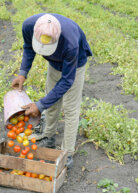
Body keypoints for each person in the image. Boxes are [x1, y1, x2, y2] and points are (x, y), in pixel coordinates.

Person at [11, 13, 92, 168]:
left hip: (75, 64)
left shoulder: (70, 42)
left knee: (70, 108)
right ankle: (49, 136)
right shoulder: (28, 25)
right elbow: (29, 47)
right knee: (52, 100)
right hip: (54, 64)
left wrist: (40, 105)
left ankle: (67, 152)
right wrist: (23, 73)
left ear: (57, 38)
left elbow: (67, 81)